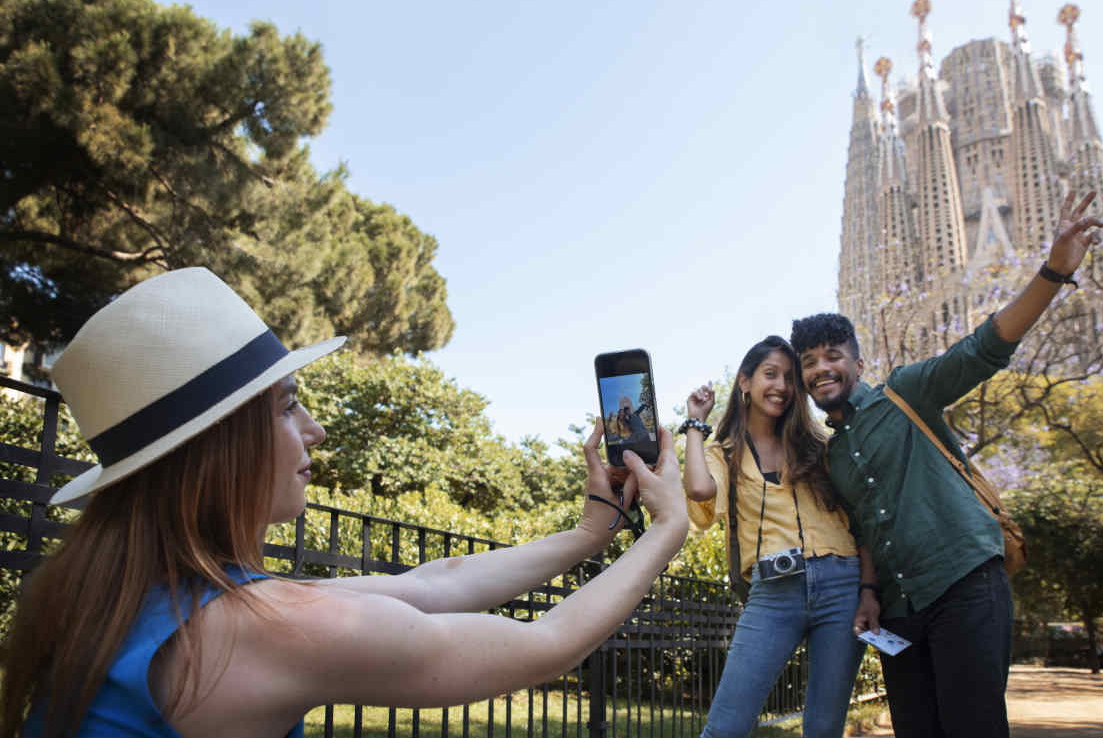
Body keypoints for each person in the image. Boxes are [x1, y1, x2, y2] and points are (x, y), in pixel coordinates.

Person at [0, 268, 688, 738]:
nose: (315, 429)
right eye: (288, 406)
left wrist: (589, 533)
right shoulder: (251, 629)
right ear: (216, 448)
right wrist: (666, 527)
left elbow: (427, 583)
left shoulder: (123, 594)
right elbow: (545, 645)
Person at [790, 189, 1102, 738]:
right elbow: (864, 529)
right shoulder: (833, 456)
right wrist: (868, 595)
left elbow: (983, 348)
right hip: (899, 608)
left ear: (857, 363)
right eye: (809, 363)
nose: (822, 369)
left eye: (833, 356)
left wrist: (1053, 272)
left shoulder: (907, 391)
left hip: (964, 582)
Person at [680, 337, 876, 738]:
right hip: (773, 591)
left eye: (790, 378)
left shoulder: (819, 444)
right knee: (725, 728)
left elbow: (863, 519)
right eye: (771, 374)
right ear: (745, 382)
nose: (782, 386)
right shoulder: (724, 451)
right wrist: (696, 425)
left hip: (843, 586)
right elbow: (700, 491)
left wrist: (869, 590)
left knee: (824, 729)